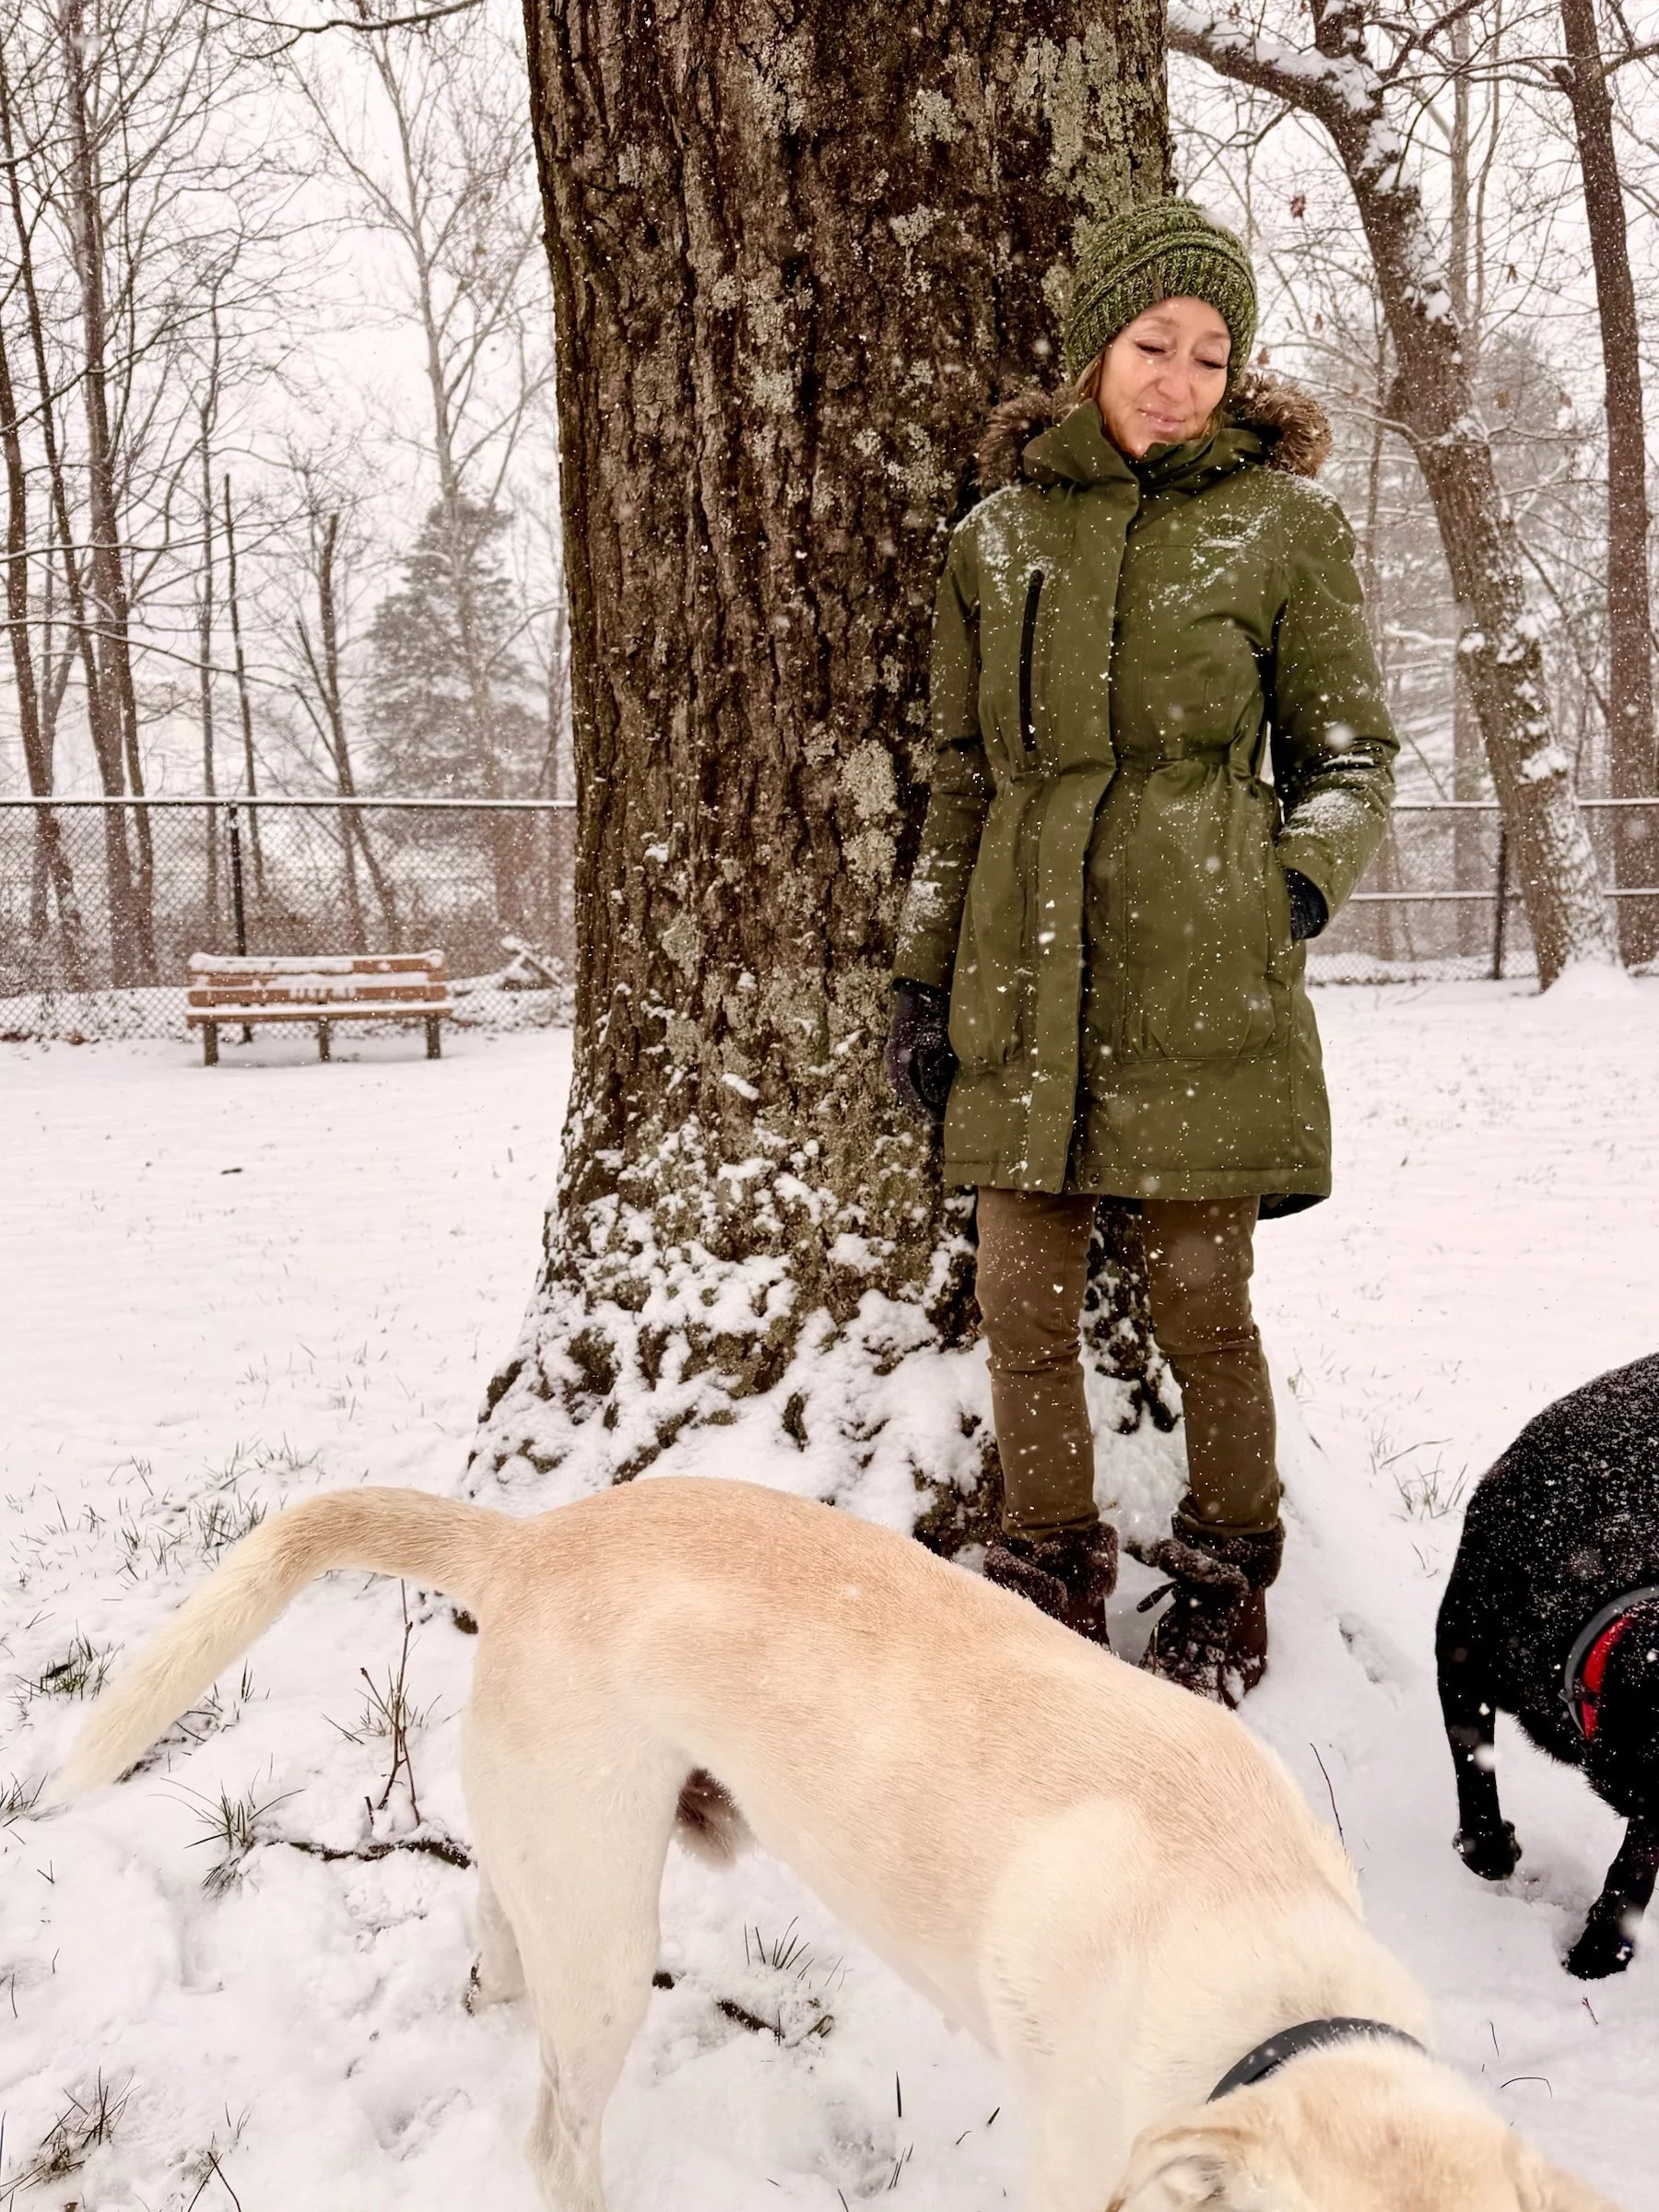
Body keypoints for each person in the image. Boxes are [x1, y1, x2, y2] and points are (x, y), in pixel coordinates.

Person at [885, 199, 1397, 1706]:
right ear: (1095, 347)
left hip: (1203, 990)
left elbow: (1352, 758)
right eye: (1153, 344)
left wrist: (1283, 892)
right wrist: (923, 973)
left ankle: (1229, 1583)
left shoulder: (1285, 527)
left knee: (1203, 1313)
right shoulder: (994, 542)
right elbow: (962, 780)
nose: (1180, 381)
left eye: (1211, 355)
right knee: (1021, 1307)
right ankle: (1047, 1579)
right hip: (1023, 980)